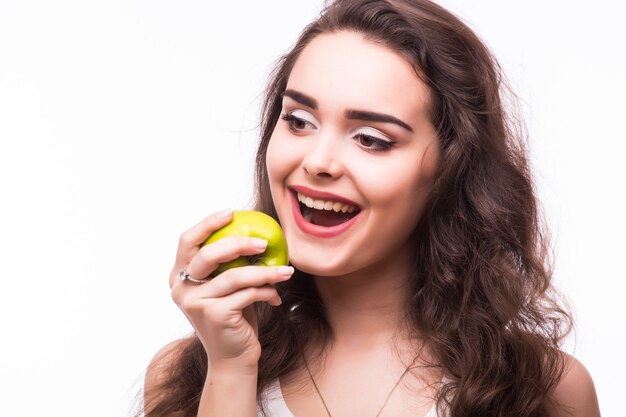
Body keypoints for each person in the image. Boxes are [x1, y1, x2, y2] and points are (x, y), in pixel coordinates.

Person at [140, 1, 601, 416]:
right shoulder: (188, 378)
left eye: (371, 140)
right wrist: (232, 370)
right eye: (298, 121)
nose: (317, 162)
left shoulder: (546, 390)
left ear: (451, 169)